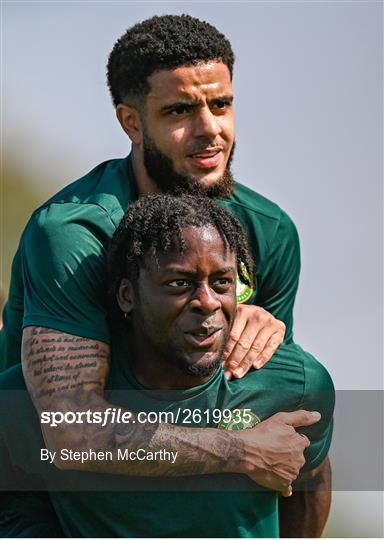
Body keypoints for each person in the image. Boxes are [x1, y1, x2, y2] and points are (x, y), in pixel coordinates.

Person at [0, 14, 330, 536]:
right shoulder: (74, 235)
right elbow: (69, 431)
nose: (210, 130)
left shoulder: (269, 232)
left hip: (180, 453)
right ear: (131, 123)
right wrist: (239, 448)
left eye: (221, 105)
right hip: (44, 482)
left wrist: (255, 335)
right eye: (180, 111)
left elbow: (269, 407)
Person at [0, 195, 334, 537]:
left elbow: (310, 479)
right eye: (179, 283)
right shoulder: (27, 402)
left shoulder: (296, 386)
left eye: (222, 283)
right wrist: (243, 450)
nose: (207, 302)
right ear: (127, 296)